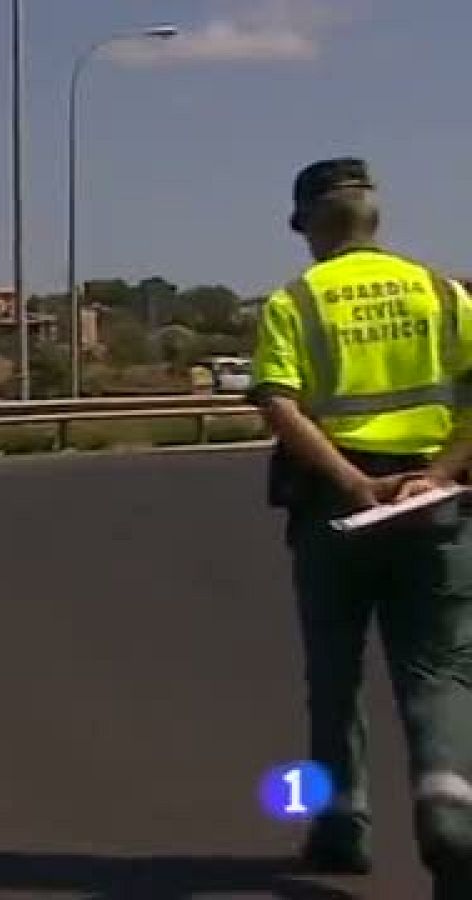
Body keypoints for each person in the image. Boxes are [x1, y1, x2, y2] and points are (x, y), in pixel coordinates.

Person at [250, 157, 472, 896]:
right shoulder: (441, 292)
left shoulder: (295, 302)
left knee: (334, 674)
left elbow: (278, 403)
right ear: (376, 217)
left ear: (306, 225)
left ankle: (340, 821)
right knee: (439, 671)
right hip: (433, 507)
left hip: (334, 511)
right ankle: (447, 802)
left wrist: (353, 483)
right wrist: (440, 473)